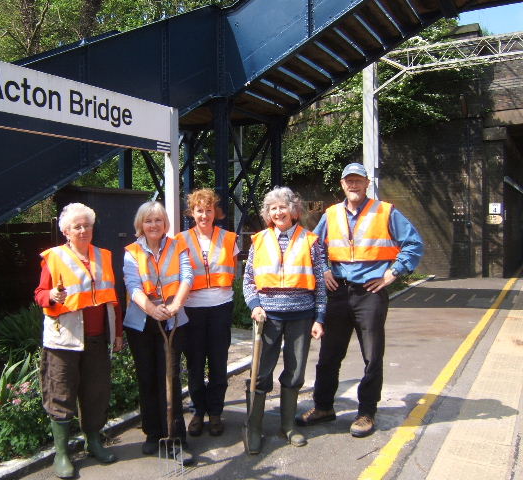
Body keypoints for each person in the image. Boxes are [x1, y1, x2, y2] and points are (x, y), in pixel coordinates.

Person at [296, 163, 424, 438]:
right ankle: (323, 407)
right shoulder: (331, 214)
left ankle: (366, 412)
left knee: (372, 355)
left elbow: (414, 243)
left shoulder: (385, 211)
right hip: (338, 292)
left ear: (367, 183)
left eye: (358, 181)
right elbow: (314, 246)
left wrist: (392, 274)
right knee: (329, 355)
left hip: (371, 292)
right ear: (342, 185)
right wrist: (325, 270)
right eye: (348, 181)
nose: (353, 185)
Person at [34, 202, 123, 479]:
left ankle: (93, 440)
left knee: (96, 392)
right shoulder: (55, 257)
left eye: (87, 225)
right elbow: (39, 293)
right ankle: (62, 453)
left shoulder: (104, 256)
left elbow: (113, 298)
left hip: (97, 338)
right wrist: (51, 297)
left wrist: (117, 333)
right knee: (61, 392)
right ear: (66, 231)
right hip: (64, 340)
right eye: (77, 226)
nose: (83, 230)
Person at [242, 186, 327, 454]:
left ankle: (288, 426)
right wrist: (255, 306)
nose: (278, 212)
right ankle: (254, 428)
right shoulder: (259, 240)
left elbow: (321, 286)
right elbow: (248, 282)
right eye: (273, 208)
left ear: (294, 210)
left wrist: (319, 317)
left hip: (301, 316)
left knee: (295, 371)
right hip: (267, 317)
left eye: (283, 206)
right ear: (268, 214)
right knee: (260, 373)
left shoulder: (311, 241)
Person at [122, 200, 195, 465]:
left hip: (173, 321)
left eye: (158, 220)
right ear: (140, 225)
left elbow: (188, 277)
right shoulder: (131, 251)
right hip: (141, 323)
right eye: (148, 220)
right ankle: (152, 433)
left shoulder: (178, 246)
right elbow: (133, 285)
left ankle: (177, 438)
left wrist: (175, 306)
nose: (154, 225)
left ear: (166, 223)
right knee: (147, 378)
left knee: (170, 378)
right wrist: (153, 311)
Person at [175, 188, 239, 437]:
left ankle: (215, 412)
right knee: (195, 364)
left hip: (221, 307)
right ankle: (198, 412)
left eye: (208, 210)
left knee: (219, 362)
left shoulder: (229, 238)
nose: (204, 215)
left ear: (215, 212)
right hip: (192, 309)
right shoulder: (180, 240)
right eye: (199, 210)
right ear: (192, 213)